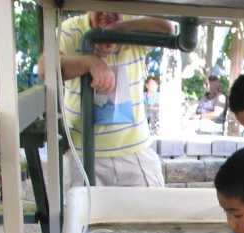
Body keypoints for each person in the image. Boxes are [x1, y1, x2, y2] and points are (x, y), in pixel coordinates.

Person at [38, 11, 172, 189]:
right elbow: (45, 68)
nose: (107, 12)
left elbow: (167, 27)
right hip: (82, 154)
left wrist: (116, 30)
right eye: (99, 5)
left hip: (135, 151)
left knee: (152, 214)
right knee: (82, 215)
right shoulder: (71, 29)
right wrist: (90, 62)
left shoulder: (135, 25)